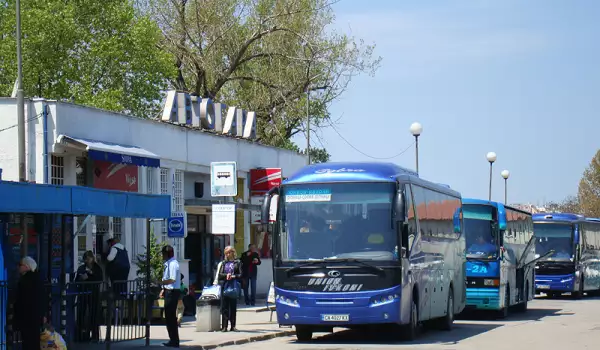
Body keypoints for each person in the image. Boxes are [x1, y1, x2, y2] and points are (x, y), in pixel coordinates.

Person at [13, 256, 45, 350]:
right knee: (35, 341)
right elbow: (42, 298)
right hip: (35, 317)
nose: (19, 267)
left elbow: (20, 301)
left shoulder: (23, 281)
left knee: (27, 342)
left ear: (27, 266)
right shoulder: (38, 278)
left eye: (20, 265)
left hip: (25, 317)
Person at [74, 251, 103, 342]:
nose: (87, 260)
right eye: (85, 259)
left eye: (89, 258)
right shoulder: (82, 268)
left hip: (94, 293)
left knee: (94, 314)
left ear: (92, 258)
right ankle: (80, 334)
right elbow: (76, 280)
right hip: (83, 293)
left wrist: (91, 274)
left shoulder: (97, 268)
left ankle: (95, 335)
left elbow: (100, 279)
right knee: (81, 313)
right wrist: (82, 278)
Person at [158, 245, 180, 348]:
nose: (162, 256)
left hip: (172, 292)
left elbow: (172, 279)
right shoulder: (169, 263)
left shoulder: (173, 264)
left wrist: (160, 282)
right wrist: (163, 288)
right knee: (169, 316)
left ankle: (174, 340)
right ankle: (173, 339)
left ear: (167, 254)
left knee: (170, 317)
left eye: (163, 254)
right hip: (169, 291)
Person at [217, 246, 242, 332]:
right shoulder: (224, 263)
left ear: (233, 252)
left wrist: (233, 276)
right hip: (225, 286)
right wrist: (226, 276)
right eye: (226, 253)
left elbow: (241, 275)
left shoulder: (237, 262)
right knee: (224, 307)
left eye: (229, 252)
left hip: (234, 286)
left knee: (233, 307)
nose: (228, 254)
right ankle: (224, 326)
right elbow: (220, 275)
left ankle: (233, 326)